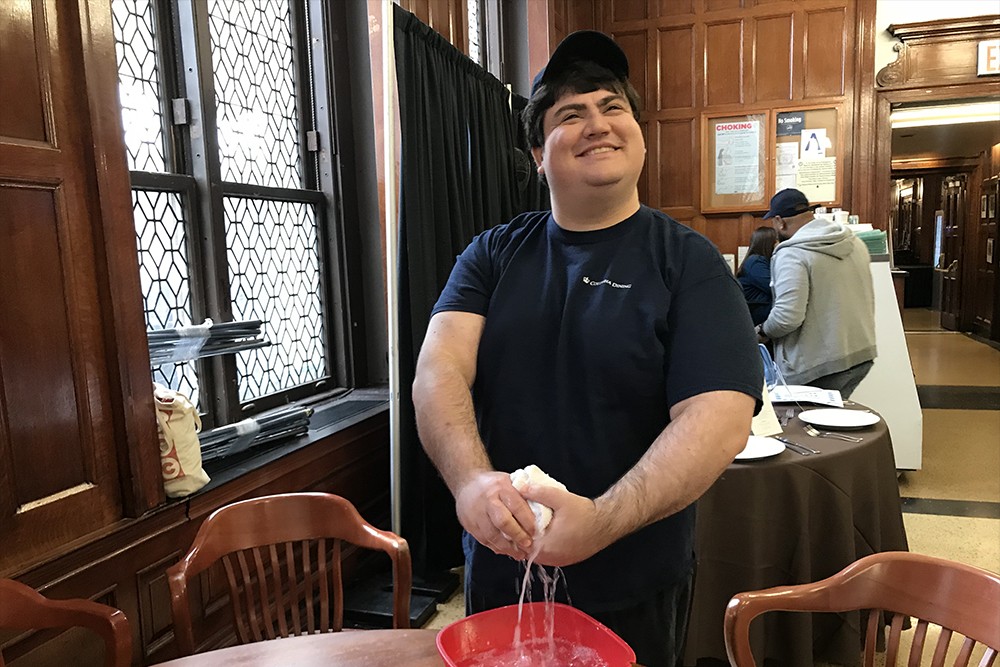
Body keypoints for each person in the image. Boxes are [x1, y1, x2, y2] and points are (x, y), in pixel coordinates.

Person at [411, 30, 762, 667]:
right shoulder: (492, 254)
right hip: (503, 563)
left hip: (635, 574)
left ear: (640, 135)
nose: (597, 124)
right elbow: (439, 369)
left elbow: (720, 415)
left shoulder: (689, 262)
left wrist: (600, 520)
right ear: (538, 156)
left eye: (613, 107)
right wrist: (469, 484)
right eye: (570, 114)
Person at [756, 188, 877, 398]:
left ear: (779, 221)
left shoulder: (792, 253)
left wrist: (761, 331)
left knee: (805, 427)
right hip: (860, 355)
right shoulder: (855, 243)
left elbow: (786, 318)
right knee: (831, 422)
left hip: (816, 366)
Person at [737, 226, 778, 326]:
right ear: (769, 243)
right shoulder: (755, 262)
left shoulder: (757, 262)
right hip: (756, 321)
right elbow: (774, 287)